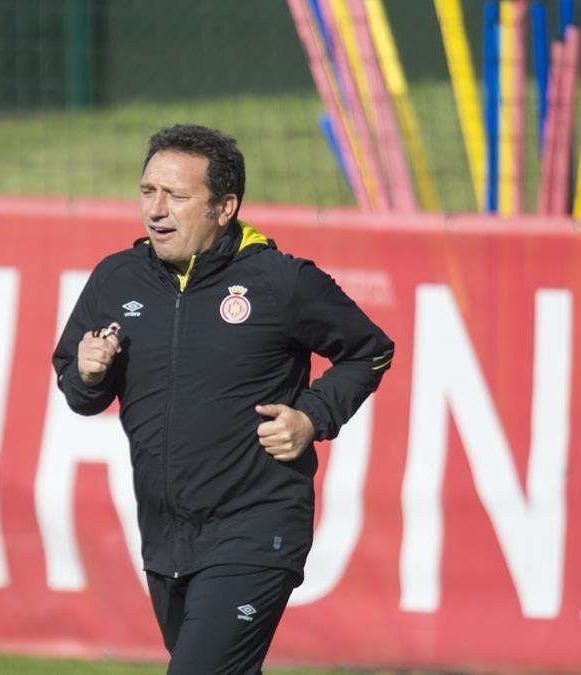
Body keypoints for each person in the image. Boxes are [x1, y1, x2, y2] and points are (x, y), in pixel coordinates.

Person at [52, 124, 393, 674]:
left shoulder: (280, 282)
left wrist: (312, 416)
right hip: (165, 538)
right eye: (147, 192)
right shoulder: (117, 279)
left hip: (256, 528)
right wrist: (88, 374)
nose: (156, 210)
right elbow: (80, 392)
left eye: (177, 196)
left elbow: (369, 352)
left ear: (224, 207)